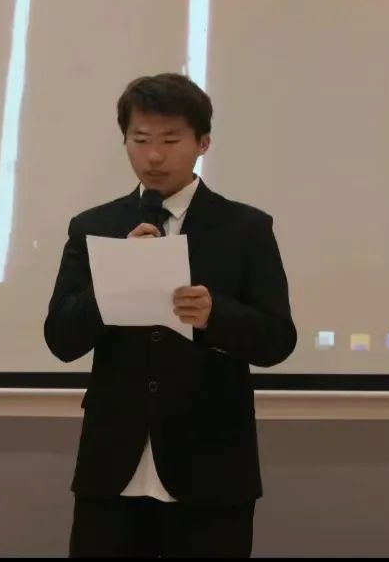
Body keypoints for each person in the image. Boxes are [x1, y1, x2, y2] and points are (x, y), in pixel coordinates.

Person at [44, 73, 298, 557]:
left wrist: (216, 315)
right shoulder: (94, 226)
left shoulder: (245, 228)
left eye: (170, 140)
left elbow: (278, 339)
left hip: (211, 467)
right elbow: (60, 338)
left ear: (203, 142)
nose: (154, 156)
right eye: (140, 140)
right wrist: (112, 285)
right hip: (112, 468)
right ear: (125, 141)